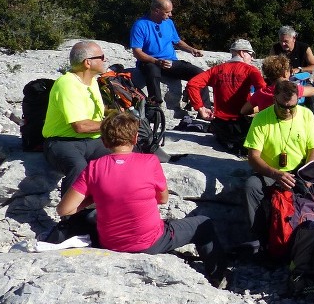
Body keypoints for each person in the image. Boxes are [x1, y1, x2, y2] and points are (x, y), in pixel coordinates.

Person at [56, 112, 227, 286]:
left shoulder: (93, 167)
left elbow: (64, 210)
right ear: (135, 137)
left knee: (92, 216)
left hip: (109, 243)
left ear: (104, 141)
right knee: (202, 224)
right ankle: (218, 277)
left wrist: (97, 197)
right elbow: (163, 199)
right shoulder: (150, 162)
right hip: (150, 243)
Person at [242, 79, 314, 250]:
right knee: (251, 187)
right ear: (274, 99)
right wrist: (275, 174)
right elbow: (253, 157)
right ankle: (260, 239)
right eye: (282, 106)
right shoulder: (262, 118)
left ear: (297, 100)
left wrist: (308, 174)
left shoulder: (306, 115)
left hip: (299, 168)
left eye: (292, 106)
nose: (287, 111)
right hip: (270, 171)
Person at [42, 40, 111, 194]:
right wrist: (113, 123)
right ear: (88, 62)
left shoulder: (92, 82)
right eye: (101, 57)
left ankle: (109, 207)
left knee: (120, 158)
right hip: (63, 141)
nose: (105, 60)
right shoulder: (66, 84)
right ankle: (71, 215)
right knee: (78, 167)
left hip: (93, 140)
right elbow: (80, 126)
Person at [185, 39, 264, 154]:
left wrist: (200, 108)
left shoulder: (216, 70)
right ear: (242, 53)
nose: (252, 58)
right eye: (251, 54)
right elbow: (263, 92)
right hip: (242, 123)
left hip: (220, 125)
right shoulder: (251, 70)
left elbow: (192, 84)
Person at [242, 55, 314, 147]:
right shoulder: (292, 90)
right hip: (295, 136)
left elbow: (244, 110)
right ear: (286, 73)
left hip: (272, 135)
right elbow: (312, 91)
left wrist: (261, 107)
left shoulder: (260, 93)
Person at [129, 0, 204, 105]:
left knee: (199, 73)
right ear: (156, 11)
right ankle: (155, 105)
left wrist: (191, 50)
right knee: (152, 71)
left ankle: (203, 107)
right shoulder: (140, 25)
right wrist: (157, 61)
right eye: (167, 12)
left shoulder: (169, 23)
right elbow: (137, 52)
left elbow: (177, 41)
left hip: (170, 62)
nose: (170, 15)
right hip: (150, 62)